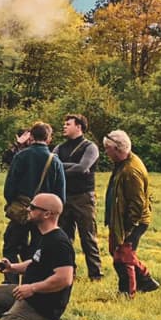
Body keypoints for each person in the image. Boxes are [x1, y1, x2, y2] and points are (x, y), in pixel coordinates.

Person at [0, 192, 75, 320]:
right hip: (27, 295)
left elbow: (64, 278)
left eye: (33, 207)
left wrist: (32, 288)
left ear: (47, 214)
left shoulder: (59, 242)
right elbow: (37, 262)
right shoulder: (46, 236)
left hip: (42, 306)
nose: (28, 209)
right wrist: (12, 267)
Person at [1, 122, 66, 280]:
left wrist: (13, 203)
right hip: (44, 213)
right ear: (49, 138)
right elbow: (60, 194)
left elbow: (9, 186)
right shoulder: (55, 161)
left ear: (31, 137)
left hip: (21, 209)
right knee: (37, 249)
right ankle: (33, 280)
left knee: (11, 246)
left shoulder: (21, 156)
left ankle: (11, 283)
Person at [102, 130, 160, 298]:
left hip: (133, 222)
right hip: (120, 219)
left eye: (107, 148)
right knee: (118, 251)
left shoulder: (131, 170)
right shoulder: (122, 162)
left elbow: (137, 203)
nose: (106, 152)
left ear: (118, 149)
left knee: (123, 256)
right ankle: (146, 281)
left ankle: (128, 292)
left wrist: (128, 228)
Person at [56, 114, 103, 281]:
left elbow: (83, 168)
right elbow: (50, 165)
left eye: (68, 124)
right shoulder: (60, 147)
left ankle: (95, 275)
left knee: (88, 237)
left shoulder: (90, 147)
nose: (64, 126)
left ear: (79, 127)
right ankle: (69, 273)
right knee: (64, 238)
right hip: (64, 197)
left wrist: (61, 168)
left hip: (83, 198)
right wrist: (70, 167)